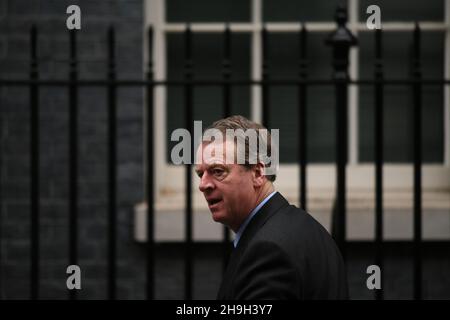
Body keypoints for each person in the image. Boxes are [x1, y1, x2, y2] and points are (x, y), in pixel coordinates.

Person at [194, 115, 348, 300]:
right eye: (200, 174)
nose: (203, 185)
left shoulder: (268, 250)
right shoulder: (305, 228)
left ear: (258, 173)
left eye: (217, 171)